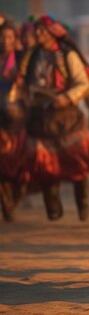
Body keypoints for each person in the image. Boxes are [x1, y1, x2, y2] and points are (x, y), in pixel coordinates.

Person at [22, 15, 89, 222]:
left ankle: (82, 204)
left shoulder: (68, 55)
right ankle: (53, 208)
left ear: (52, 33)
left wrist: (66, 98)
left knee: (77, 161)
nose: (37, 34)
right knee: (45, 164)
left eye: (41, 31)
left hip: (67, 116)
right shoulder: (32, 56)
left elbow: (82, 83)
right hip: (41, 118)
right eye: (36, 31)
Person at [0, 22, 28, 221]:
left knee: (22, 165)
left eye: (10, 38)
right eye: (2, 37)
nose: (5, 41)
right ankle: (6, 206)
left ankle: (16, 197)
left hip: (19, 119)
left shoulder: (23, 61)